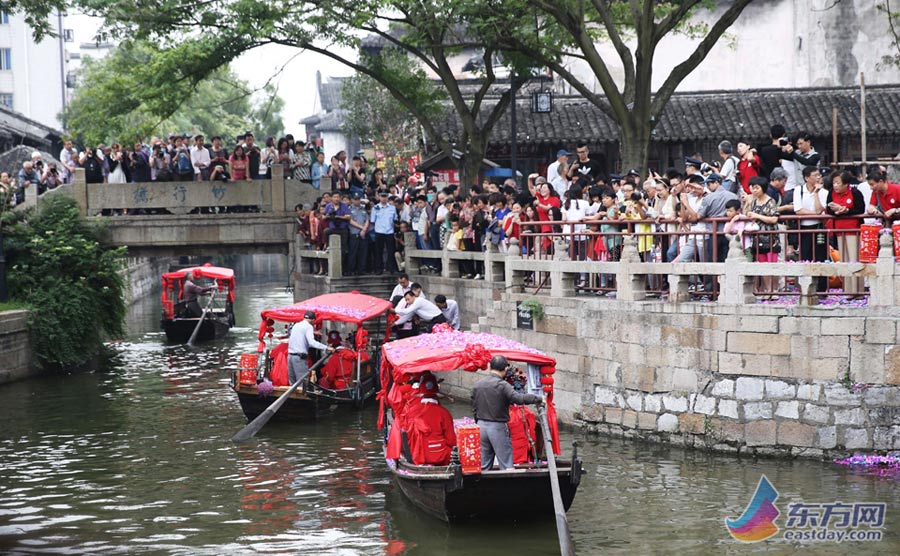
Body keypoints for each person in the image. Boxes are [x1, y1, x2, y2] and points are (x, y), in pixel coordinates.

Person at [471, 355, 543, 471]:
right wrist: (537, 398)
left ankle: (483, 487)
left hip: (481, 426)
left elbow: (474, 407)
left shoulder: (478, 385)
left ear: (490, 367)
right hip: (497, 427)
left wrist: (478, 422)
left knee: (484, 464)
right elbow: (518, 398)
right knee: (506, 463)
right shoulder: (502, 385)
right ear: (505, 369)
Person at [403, 374, 457, 466]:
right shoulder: (444, 413)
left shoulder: (411, 411)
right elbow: (451, 441)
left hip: (418, 454)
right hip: (440, 454)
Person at [287, 310, 334, 385]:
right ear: (312, 319)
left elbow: (299, 336)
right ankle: (301, 396)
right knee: (302, 382)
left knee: (292, 381)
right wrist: (326, 347)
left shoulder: (296, 325)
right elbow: (312, 343)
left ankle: (291, 396)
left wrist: (313, 333)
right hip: (299, 358)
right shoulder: (309, 327)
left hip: (290, 356)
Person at [370, 189, 399, 274]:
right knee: (378, 251)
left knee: (391, 251)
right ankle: (378, 269)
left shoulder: (392, 208)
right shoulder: (375, 208)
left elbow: (395, 219)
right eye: (382, 196)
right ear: (379, 197)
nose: (384, 198)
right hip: (379, 231)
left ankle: (391, 268)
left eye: (385, 196)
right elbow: (372, 220)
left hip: (389, 231)